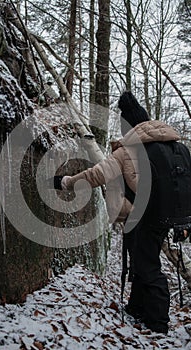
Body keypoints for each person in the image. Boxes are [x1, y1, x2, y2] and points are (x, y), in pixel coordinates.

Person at [58, 91, 181, 334]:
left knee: (147, 266)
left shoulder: (127, 151)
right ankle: (137, 307)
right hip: (163, 215)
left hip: (143, 216)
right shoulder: (171, 146)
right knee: (140, 260)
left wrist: (67, 182)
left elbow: (96, 175)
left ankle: (158, 323)